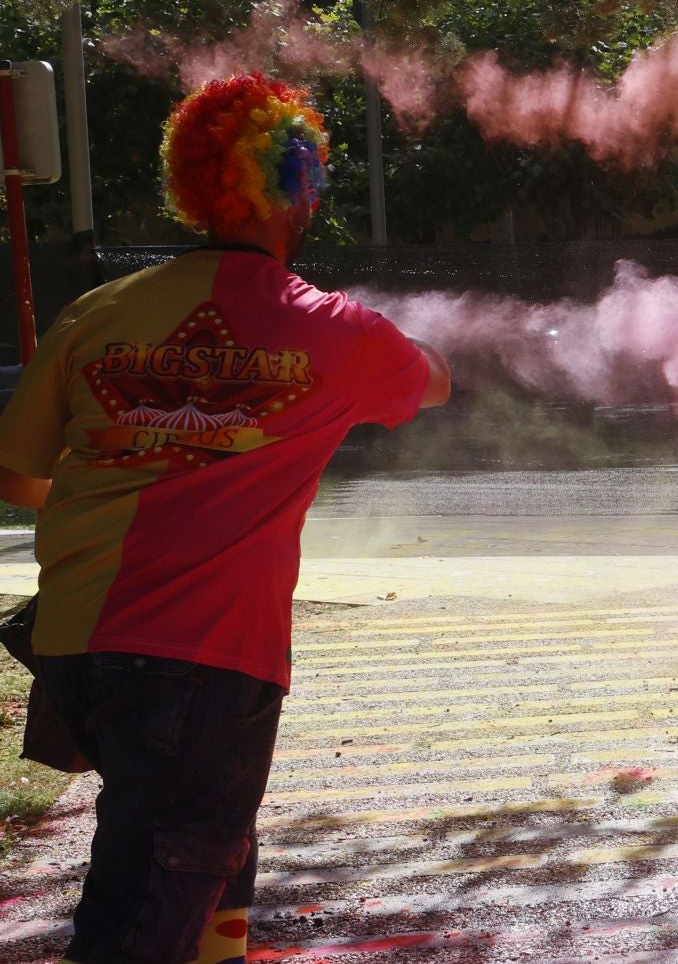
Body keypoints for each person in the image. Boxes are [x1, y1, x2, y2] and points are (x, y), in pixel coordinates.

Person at [0, 73, 451, 964]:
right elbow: (431, 382)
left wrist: (144, 479)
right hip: (202, 659)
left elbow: (18, 476)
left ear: (195, 184)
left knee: (207, 871)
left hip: (76, 644)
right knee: (150, 903)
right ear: (303, 186)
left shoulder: (98, 312)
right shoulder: (338, 332)